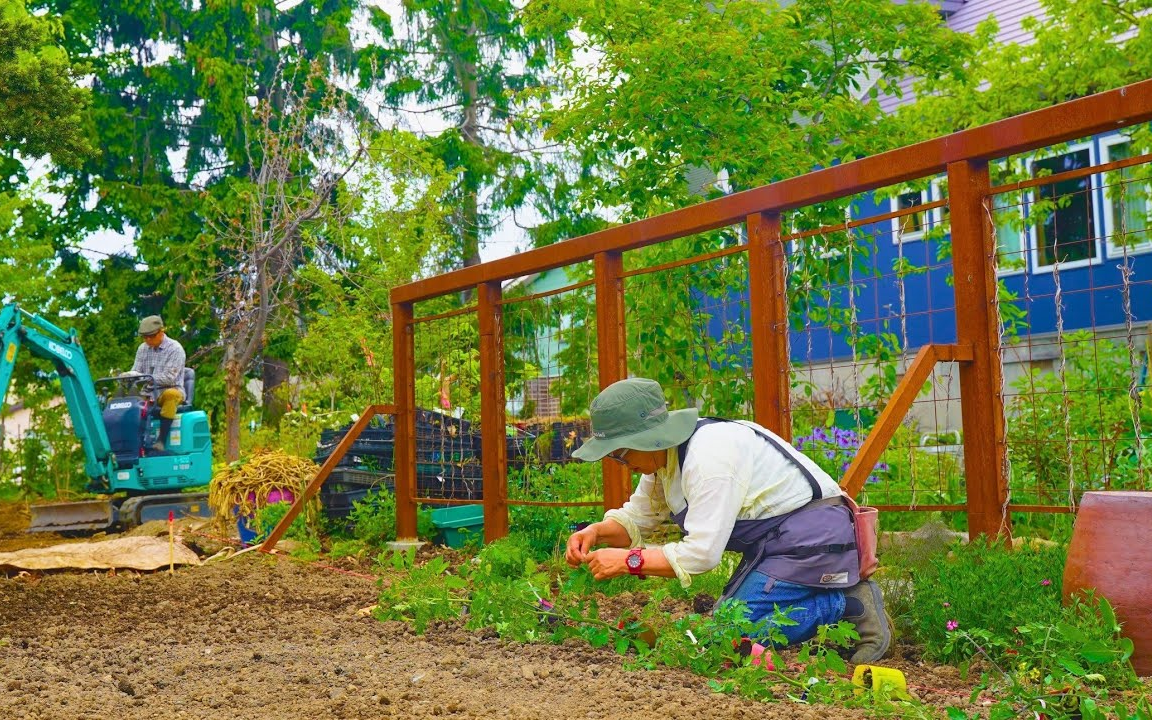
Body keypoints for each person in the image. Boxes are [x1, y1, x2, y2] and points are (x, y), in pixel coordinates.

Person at [565, 377, 891, 663]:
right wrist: (595, 532)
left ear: (645, 439)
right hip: (776, 544)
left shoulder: (707, 457)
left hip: (812, 536)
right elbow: (637, 518)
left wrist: (629, 561)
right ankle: (820, 609)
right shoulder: (663, 460)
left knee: (728, 637)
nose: (619, 463)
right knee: (725, 628)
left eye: (618, 454)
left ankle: (845, 605)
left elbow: (702, 555)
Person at [128, 315, 186, 452]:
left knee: (171, 395)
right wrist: (129, 376)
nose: (148, 340)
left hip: (168, 391)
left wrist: (146, 378)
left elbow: (169, 378)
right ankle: (131, 442)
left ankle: (161, 440)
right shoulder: (142, 349)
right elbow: (136, 371)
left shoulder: (175, 349)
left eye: (151, 336)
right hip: (147, 393)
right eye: (145, 337)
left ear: (161, 332)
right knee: (124, 401)